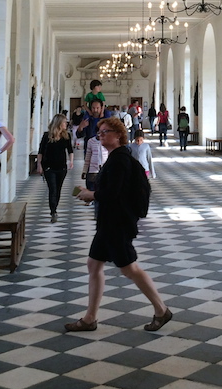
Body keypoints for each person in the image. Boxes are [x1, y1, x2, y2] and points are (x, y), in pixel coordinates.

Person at [66, 116, 172, 333]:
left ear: (118, 135)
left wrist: (91, 194)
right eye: (99, 132)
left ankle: (161, 310)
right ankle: (90, 318)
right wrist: (92, 196)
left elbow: (112, 193)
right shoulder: (116, 158)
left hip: (117, 224)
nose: (100, 135)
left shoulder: (120, 160)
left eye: (105, 131)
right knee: (94, 265)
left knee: (129, 269)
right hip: (109, 222)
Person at [37, 113, 74, 223]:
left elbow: (70, 150)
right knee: (52, 189)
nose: (66, 124)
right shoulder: (47, 136)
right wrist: (39, 165)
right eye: (64, 122)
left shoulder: (66, 136)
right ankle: (53, 211)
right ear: (58, 123)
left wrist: (71, 161)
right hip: (49, 167)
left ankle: (55, 208)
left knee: (58, 190)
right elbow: (41, 152)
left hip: (62, 167)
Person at [80, 130, 109, 214]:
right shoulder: (91, 141)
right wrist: (85, 170)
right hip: (93, 170)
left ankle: (99, 211)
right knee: (94, 191)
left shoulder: (106, 140)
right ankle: (96, 211)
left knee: (101, 192)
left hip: (104, 170)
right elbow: (88, 157)